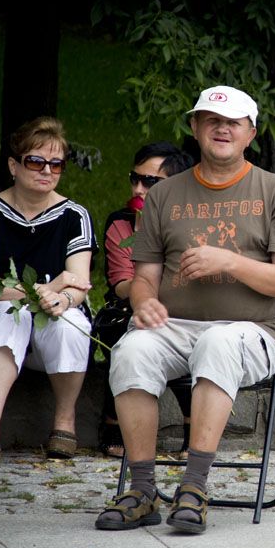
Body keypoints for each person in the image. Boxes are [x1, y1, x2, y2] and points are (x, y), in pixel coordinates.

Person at [95, 85, 275, 534]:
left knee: (218, 341)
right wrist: (145, 303)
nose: (222, 129)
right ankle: (142, 491)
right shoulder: (164, 194)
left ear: (251, 132)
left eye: (233, 122)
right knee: (131, 351)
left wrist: (228, 260)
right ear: (195, 128)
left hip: (254, 330)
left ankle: (194, 487)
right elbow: (144, 278)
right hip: (175, 325)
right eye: (212, 120)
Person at [0, 117, 96, 470]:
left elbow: (78, 284)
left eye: (56, 164)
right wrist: (49, 288)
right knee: (13, 314)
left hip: (50, 323)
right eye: (35, 161)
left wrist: (63, 299)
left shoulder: (75, 215)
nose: (46, 171)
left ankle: (64, 424)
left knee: (71, 323)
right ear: (13, 165)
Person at [97, 142, 195, 457]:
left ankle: (193, 422)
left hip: (185, 307)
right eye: (135, 179)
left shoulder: (193, 223)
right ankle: (117, 417)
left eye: (151, 182)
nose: (139, 188)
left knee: (180, 326)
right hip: (130, 305)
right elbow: (121, 283)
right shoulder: (120, 223)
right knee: (138, 325)